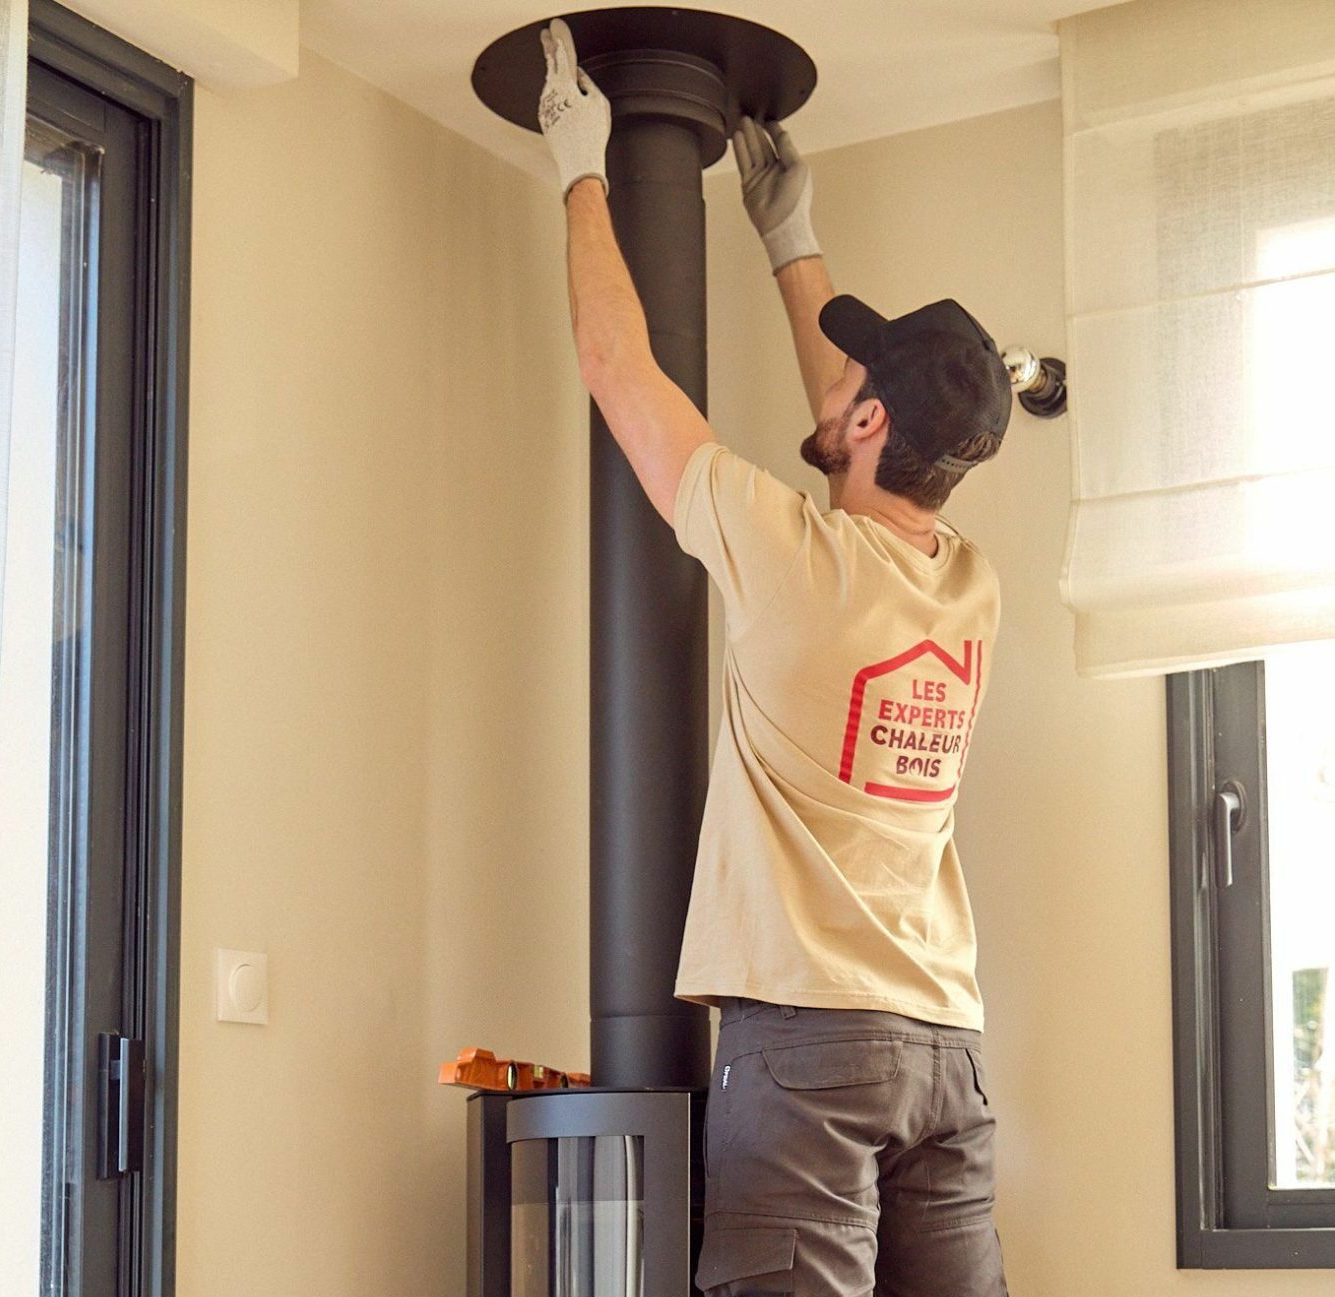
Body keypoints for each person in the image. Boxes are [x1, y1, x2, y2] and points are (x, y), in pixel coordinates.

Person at [537, 18, 1012, 1297]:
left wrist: (580, 170)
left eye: (856, 381)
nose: (837, 382)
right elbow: (861, 424)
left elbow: (615, 366)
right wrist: (789, 236)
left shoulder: (789, 553)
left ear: (868, 419)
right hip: (945, 1047)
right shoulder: (969, 586)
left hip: (809, 1047)